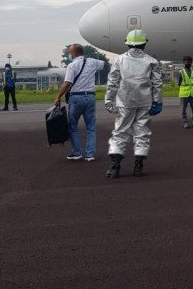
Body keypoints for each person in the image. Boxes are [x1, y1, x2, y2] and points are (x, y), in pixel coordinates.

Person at [103, 29, 163, 178]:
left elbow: (112, 82)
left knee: (120, 132)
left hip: (125, 101)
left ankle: (115, 167)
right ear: (144, 44)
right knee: (142, 133)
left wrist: (109, 99)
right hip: (145, 102)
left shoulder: (119, 60)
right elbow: (157, 83)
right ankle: (138, 166)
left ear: (128, 43)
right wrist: (157, 101)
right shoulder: (152, 61)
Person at [54, 44, 106, 162]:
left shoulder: (72, 66)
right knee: (91, 127)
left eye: (70, 53)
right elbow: (103, 64)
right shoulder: (92, 62)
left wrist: (58, 97)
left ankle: (76, 152)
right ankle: (90, 154)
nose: (70, 55)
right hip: (90, 97)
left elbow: (67, 83)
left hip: (76, 98)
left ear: (75, 53)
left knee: (72, 126)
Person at [178, 55, 193, 128]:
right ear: (183, 63)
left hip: (192, 93)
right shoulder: (181, 72)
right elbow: (179, 83)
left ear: (191, 62)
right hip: (184, 93)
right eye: (186, 62)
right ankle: (185, 122)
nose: (187, 63)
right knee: (183, 109)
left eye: (189, 62)